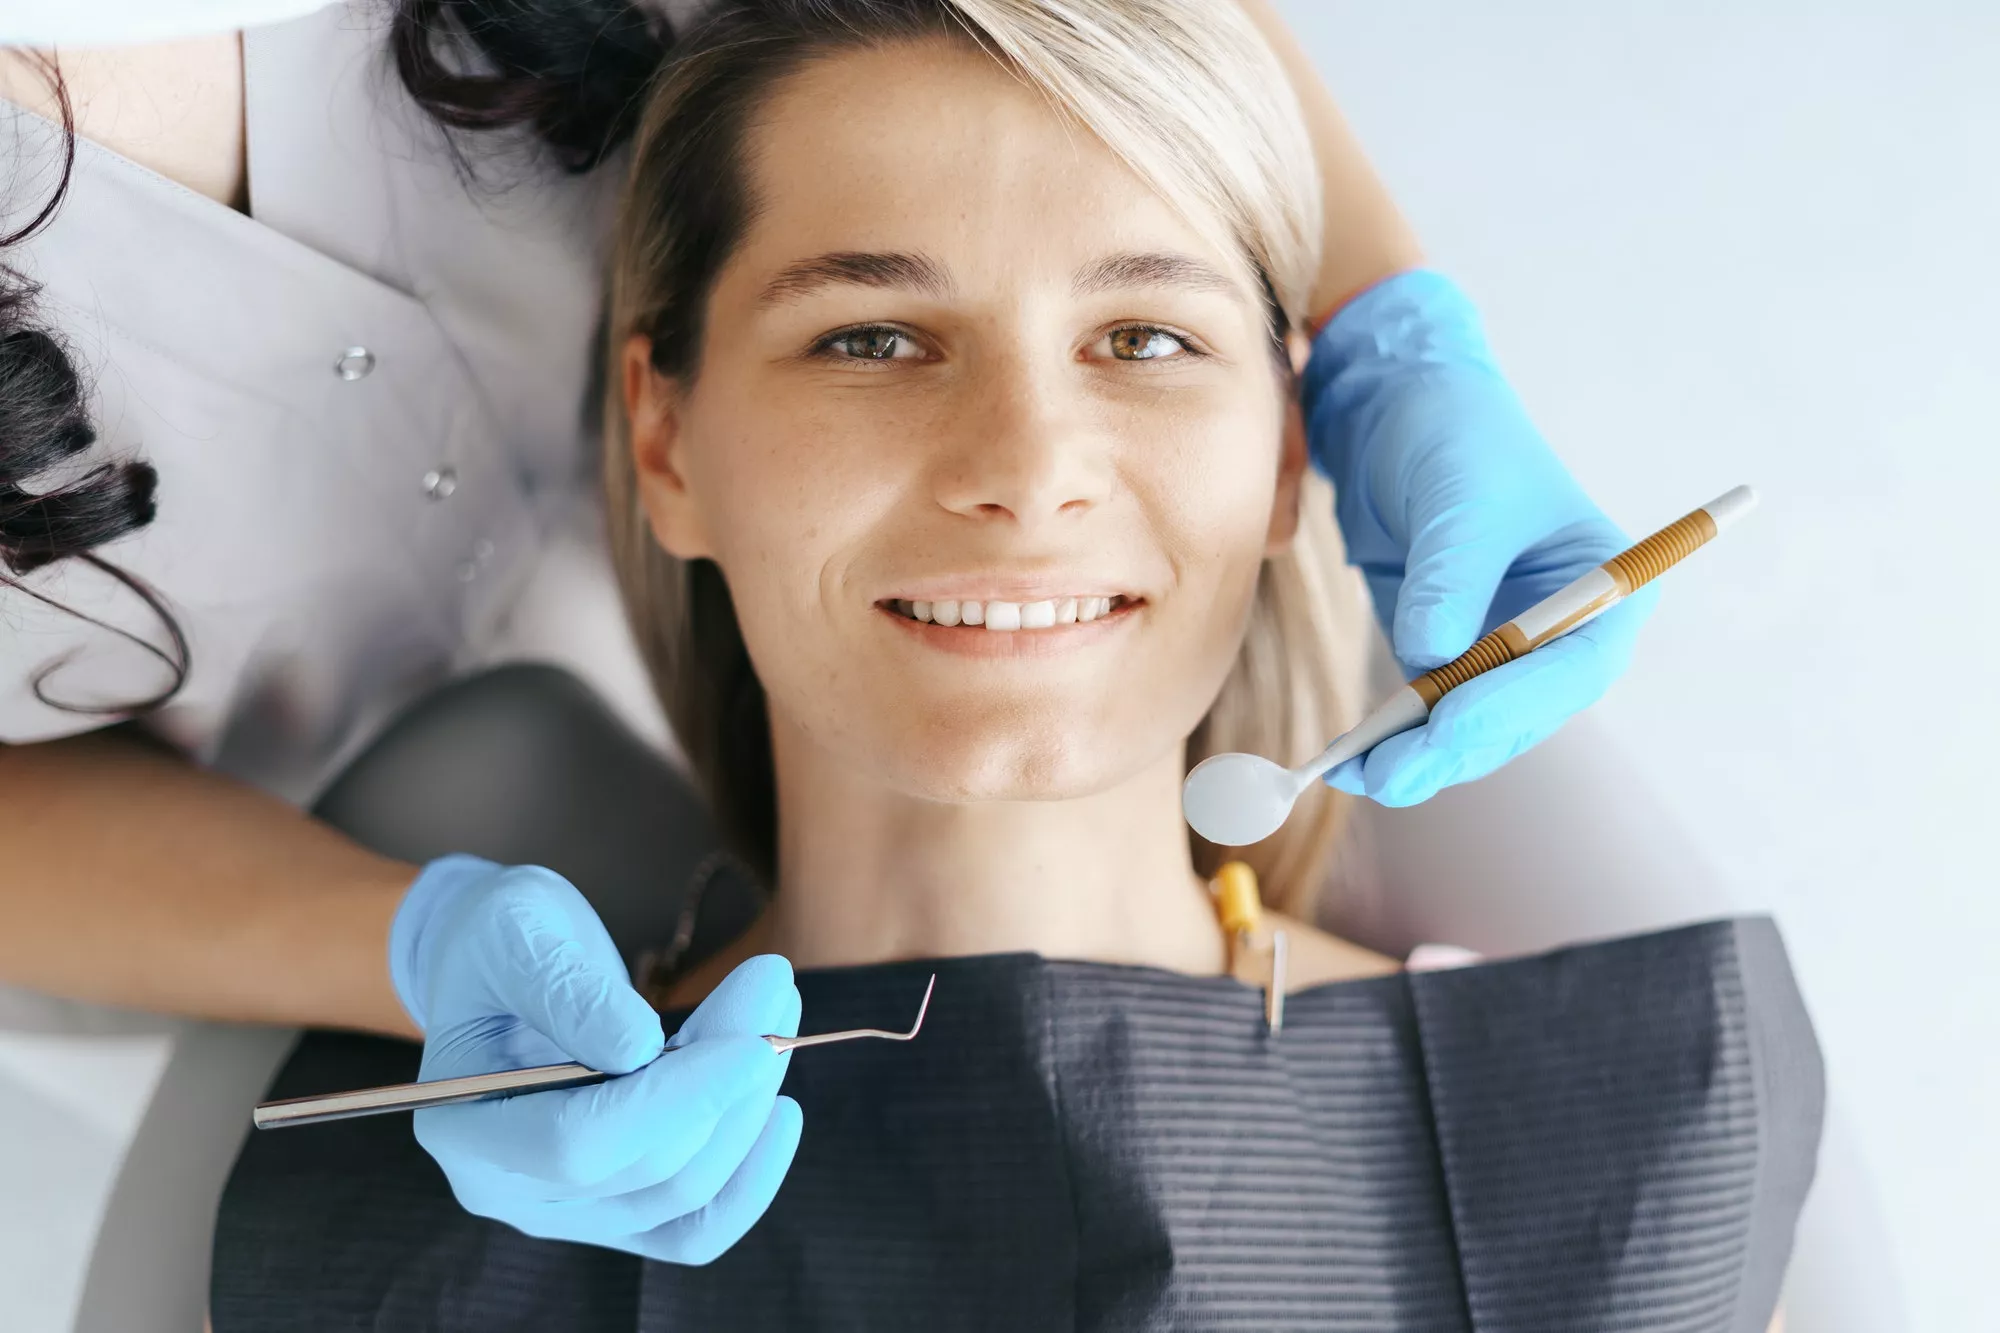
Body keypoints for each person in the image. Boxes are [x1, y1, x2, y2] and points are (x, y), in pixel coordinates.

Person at [210, 3, 1815, 1327]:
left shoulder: (1627, 1159)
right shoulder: (447, 1182)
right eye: (871, 338)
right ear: (666, 437)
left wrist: (1401, 318)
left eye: (1146, 339)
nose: (1028, 468)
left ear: (1286, 453)